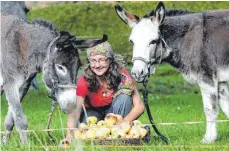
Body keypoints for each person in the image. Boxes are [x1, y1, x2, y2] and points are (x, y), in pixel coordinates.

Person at [62, 40, 145, 143]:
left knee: (124, 97)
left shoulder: (122, 75)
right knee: (87, 129)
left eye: (101, 60)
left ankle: (118, 135)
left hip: (115, 113)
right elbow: (75, 111)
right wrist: (69, 135)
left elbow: (140, 106)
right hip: (92, 112)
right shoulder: (83, 81)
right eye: (93, 60)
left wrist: (125, 121)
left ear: (109, 60)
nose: (97, 65)